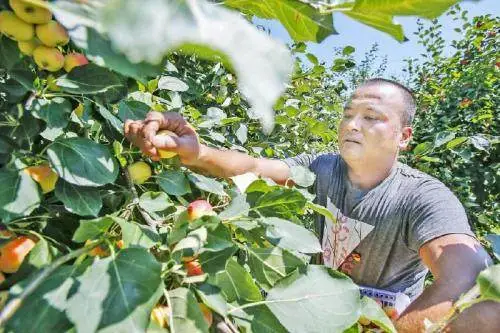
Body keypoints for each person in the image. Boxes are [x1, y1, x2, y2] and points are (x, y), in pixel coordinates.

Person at [124, 78, 497, 332]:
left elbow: (470, 278)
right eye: (348, 114)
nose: (352, 124)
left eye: (371, 117)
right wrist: (197, 151)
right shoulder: (321, 168)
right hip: (317, 308)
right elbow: (254, 167)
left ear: (404, 137)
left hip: (386, 321)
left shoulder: (423, 196)